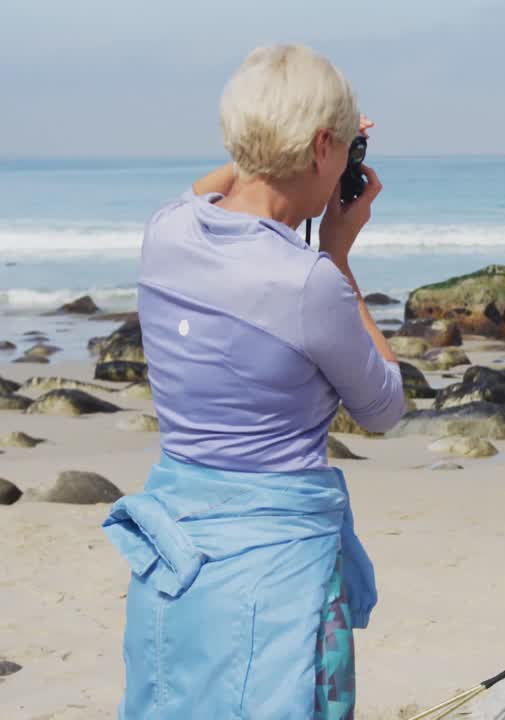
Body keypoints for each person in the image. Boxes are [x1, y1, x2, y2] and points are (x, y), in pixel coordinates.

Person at [101, 44, 405, 719]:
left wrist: (296, 144)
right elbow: (385, 405)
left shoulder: (168, 230)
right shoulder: (309, 282)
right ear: (325, 146)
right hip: (277, 580)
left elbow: (225, 184)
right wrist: (337, 254)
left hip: (175, 568)